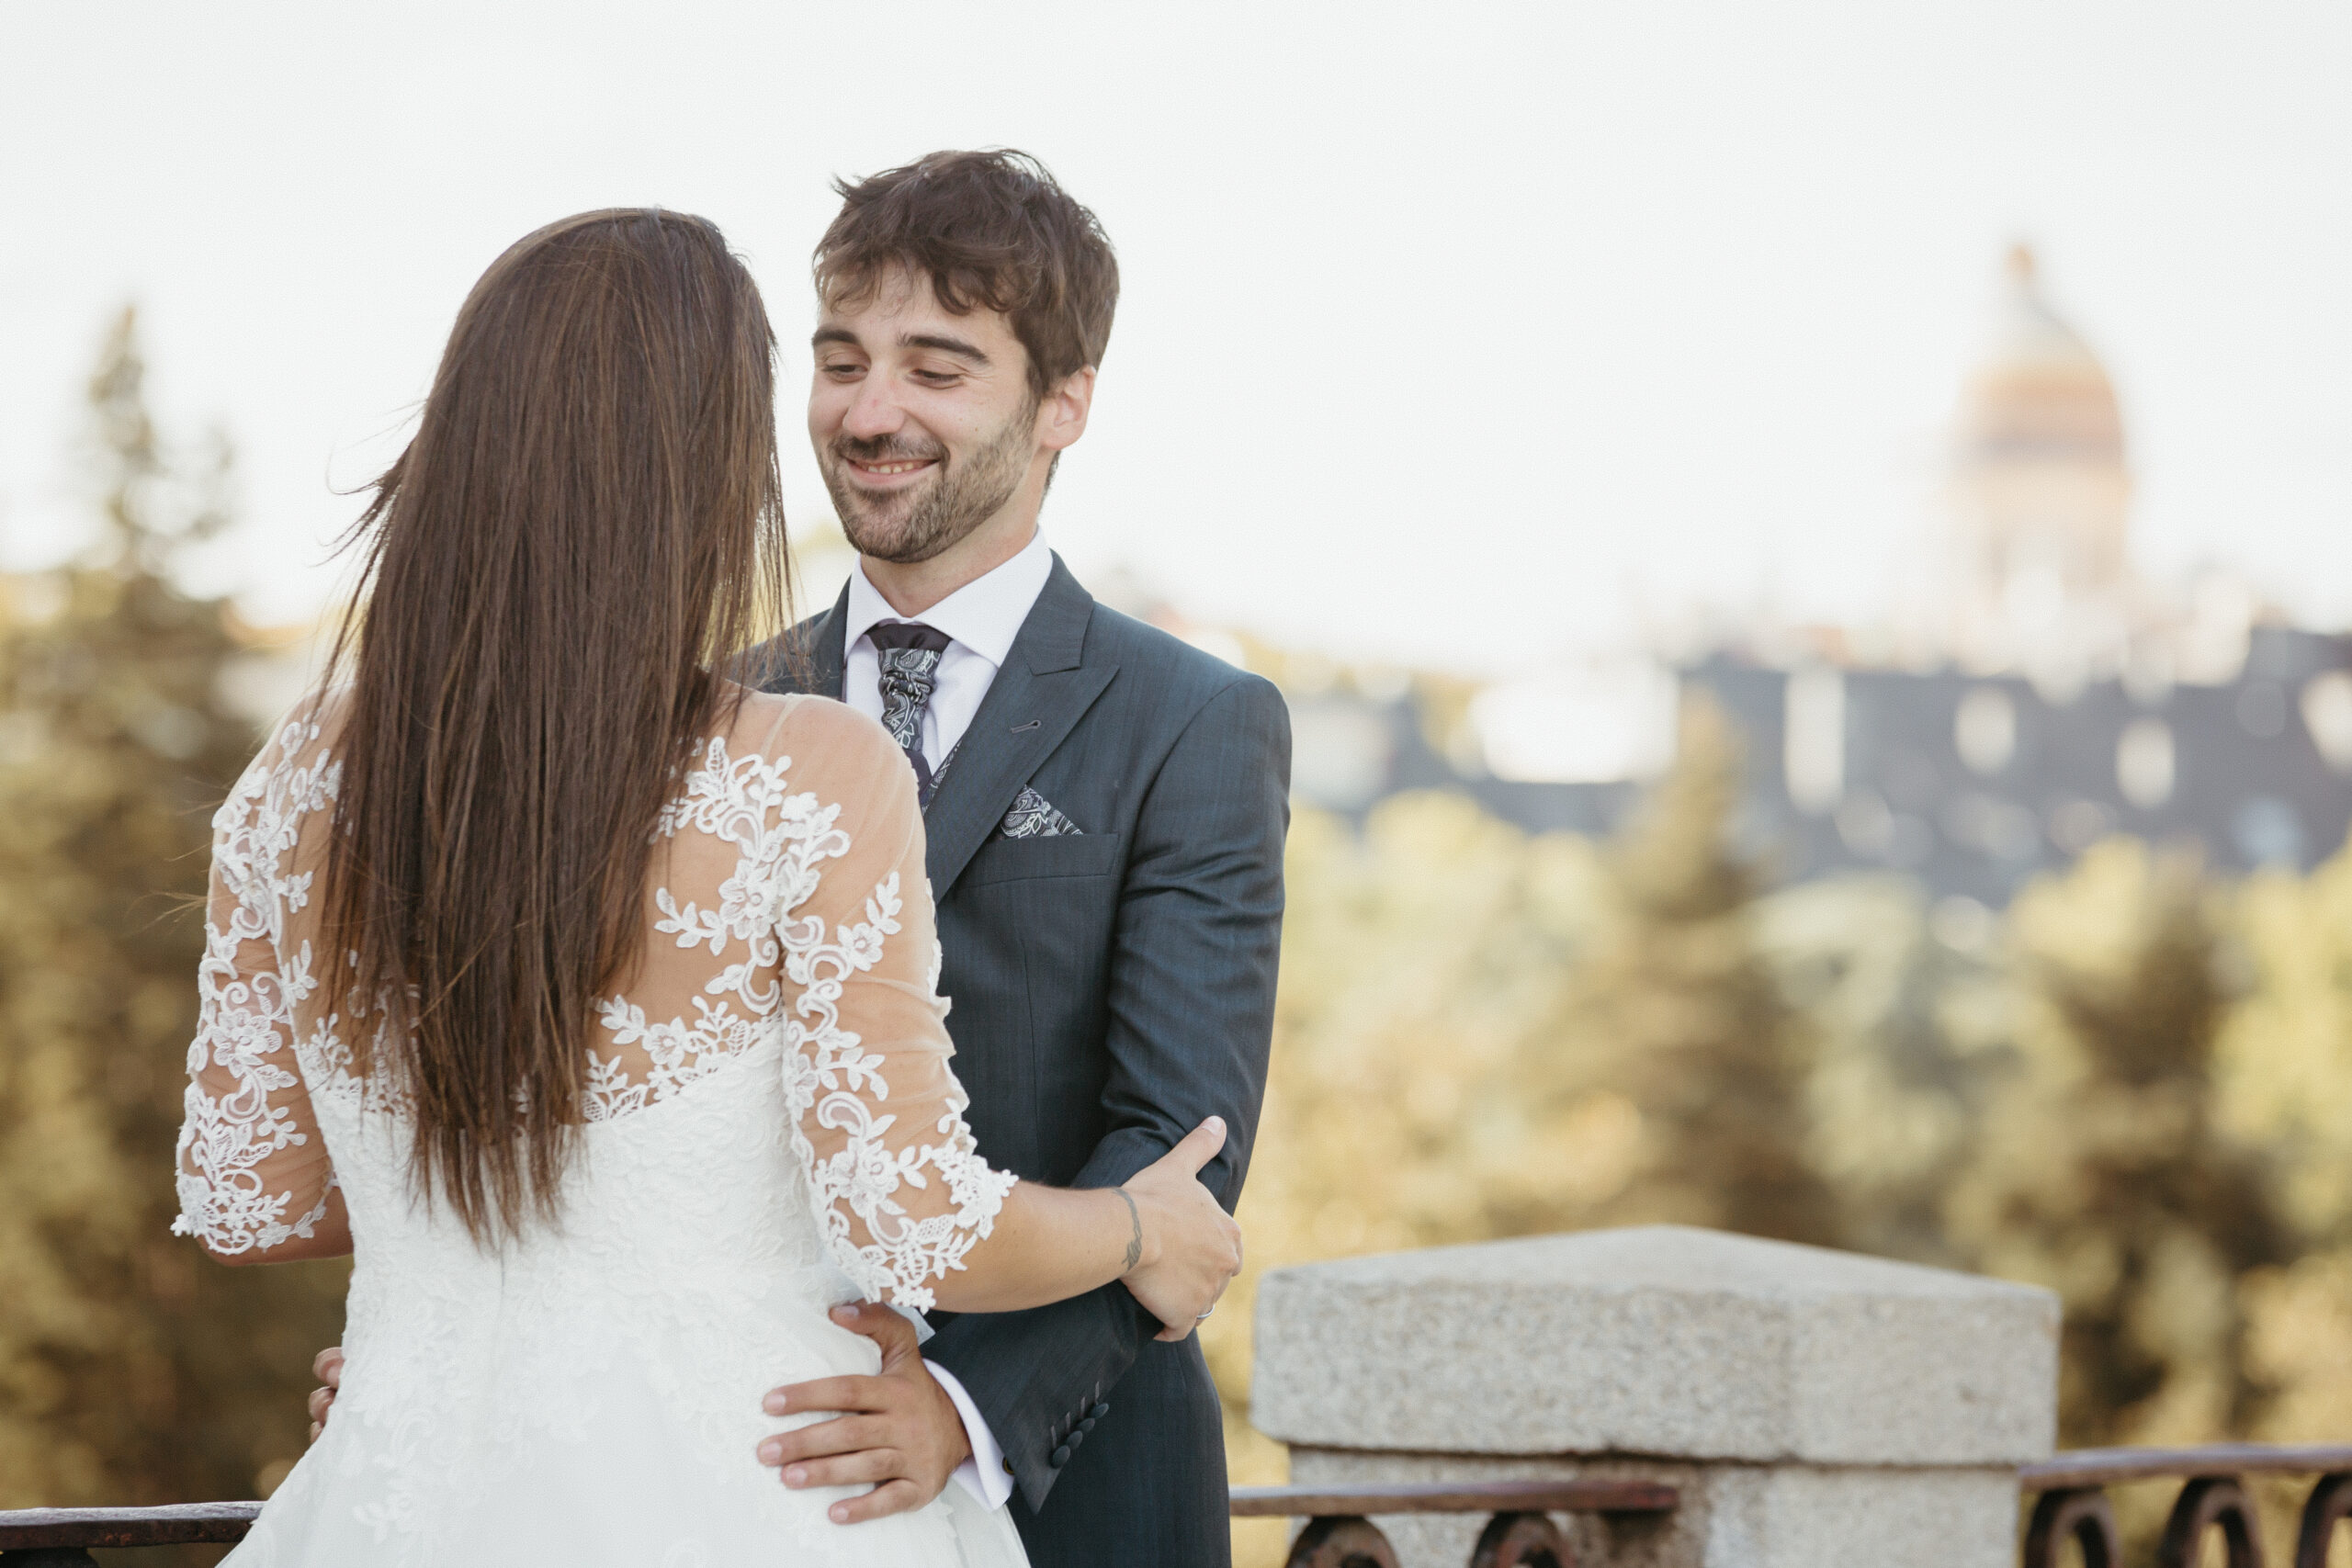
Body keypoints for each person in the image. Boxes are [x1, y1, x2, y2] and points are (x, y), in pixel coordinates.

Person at [174, 207, 1242, 1566]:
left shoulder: (288, 783)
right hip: (749, 1487)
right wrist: (1142, 1220)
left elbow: (251, 1201)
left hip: (409, 1484)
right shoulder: (802, 768)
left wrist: (457, 1287)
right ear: (697, 463)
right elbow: (911, 1214)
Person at [748, 150, 1289, 1568]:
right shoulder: (718, 714)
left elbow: (1182, 1149)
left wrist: (965, 1411)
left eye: (938, 368)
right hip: (755, 1444)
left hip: (1077, 1484)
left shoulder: (1195, 721)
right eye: (842, 360)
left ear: (1065, 403)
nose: (870, 414)